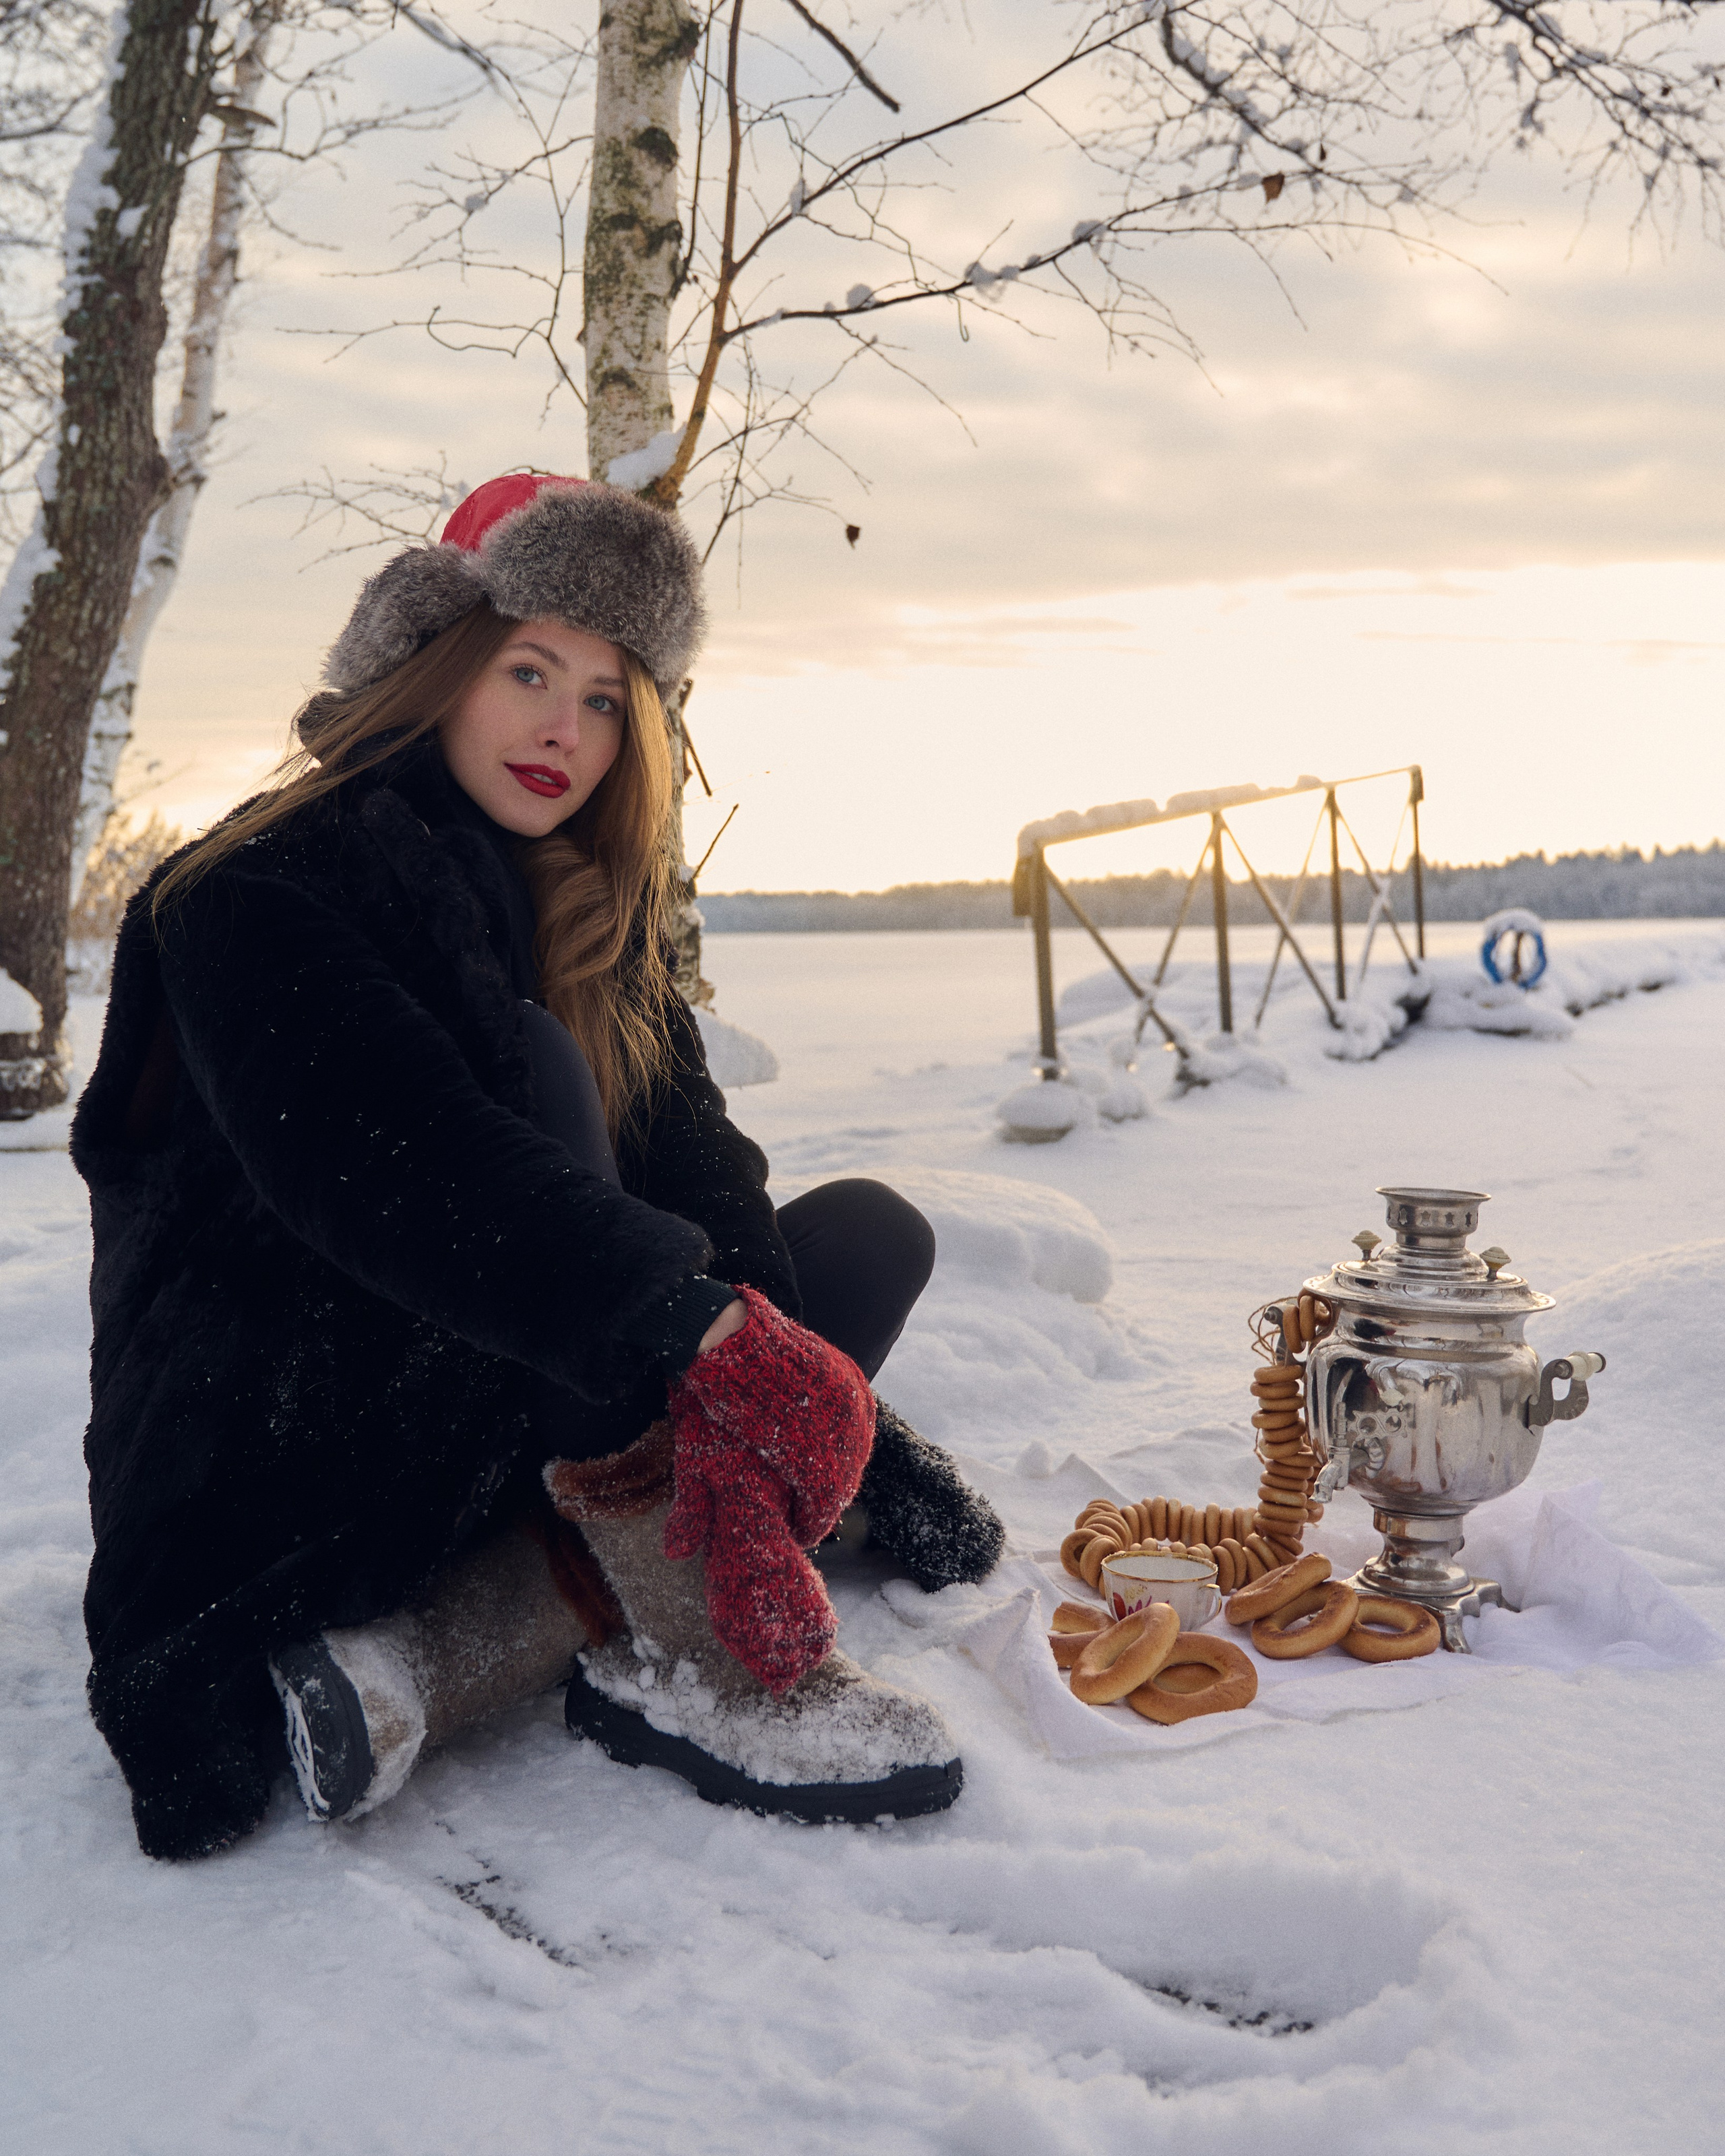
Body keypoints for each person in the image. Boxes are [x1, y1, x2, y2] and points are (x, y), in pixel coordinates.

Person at [71, 474, 1004, 1862]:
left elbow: (692, 1156)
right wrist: (703, 1332)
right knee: (541, 1096)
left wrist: (770, 1357)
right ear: (434, 662)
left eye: (605, 697)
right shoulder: (251, 886)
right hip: (286, 1428)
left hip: (501, 1370)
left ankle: (474, 1634)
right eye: (527, 671)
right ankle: (703, 1649)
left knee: (863, 1238)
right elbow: (398, 1164)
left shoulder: (585, 906)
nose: (563, 728)